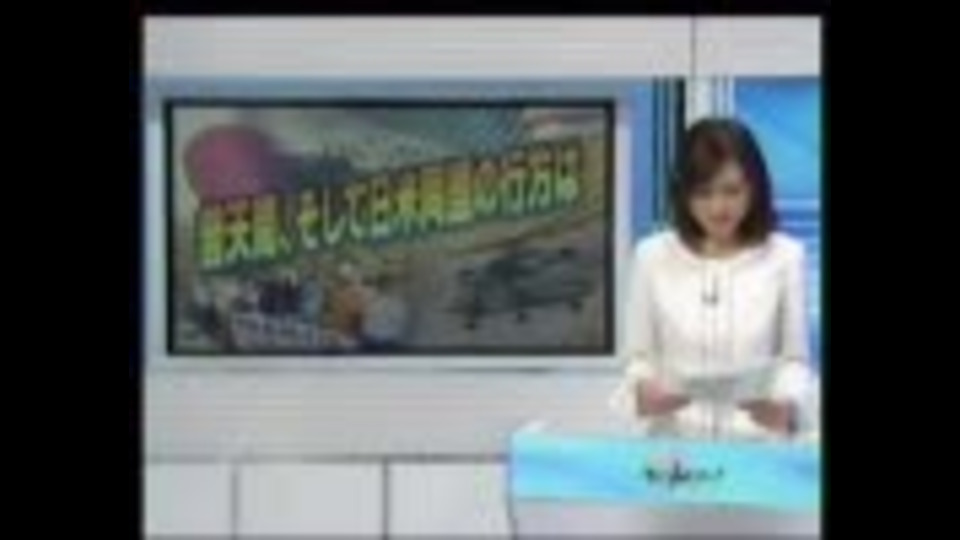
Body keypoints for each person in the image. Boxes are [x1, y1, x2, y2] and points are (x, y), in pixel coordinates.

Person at [609, 118, 819, 441]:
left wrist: (787, 406)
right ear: (684, 194)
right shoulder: (651, 256)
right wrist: (642, 391)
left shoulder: (785, 256)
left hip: (756, 448)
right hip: (674, 450)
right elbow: (638, 358)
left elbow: (795, 361)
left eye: (732, 191)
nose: (719, 207)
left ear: (754, 189)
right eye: (704, 193)